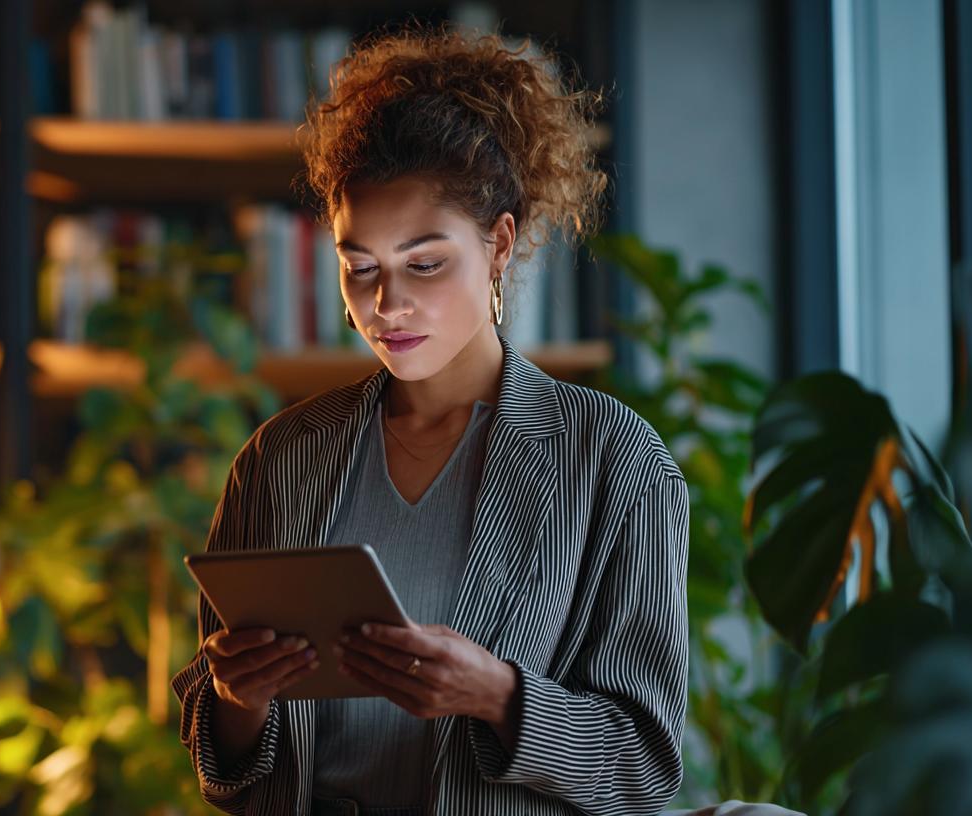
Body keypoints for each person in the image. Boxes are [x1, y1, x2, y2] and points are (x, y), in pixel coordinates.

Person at [171, 27, 689, 816]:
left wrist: (500, 696)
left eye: (424, 263)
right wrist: (238, 700)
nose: (387, 305)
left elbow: (643, 767)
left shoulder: (613, 461)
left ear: (499, 244)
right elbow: (219, 759)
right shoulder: (280, 458)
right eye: (359, 267)